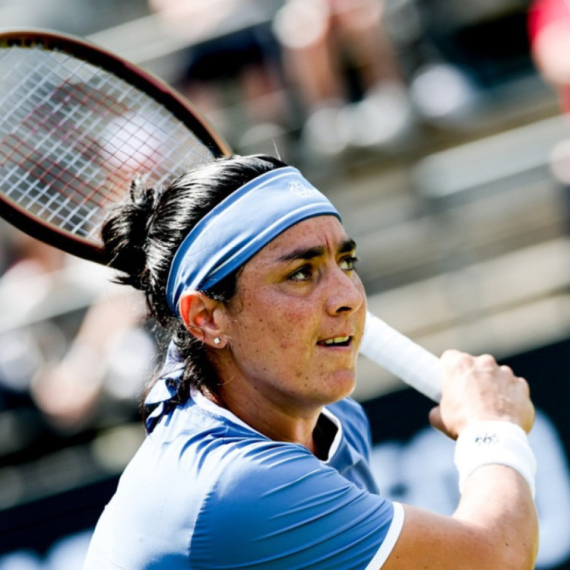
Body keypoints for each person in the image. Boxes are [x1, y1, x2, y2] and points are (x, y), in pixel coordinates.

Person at [83, 154, 538, 569]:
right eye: (301, 273)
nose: (349, 296)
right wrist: (491, 426)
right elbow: (498, 556)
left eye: (347, 261)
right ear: (206, 317)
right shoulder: (238, 486)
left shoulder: (321, 414)